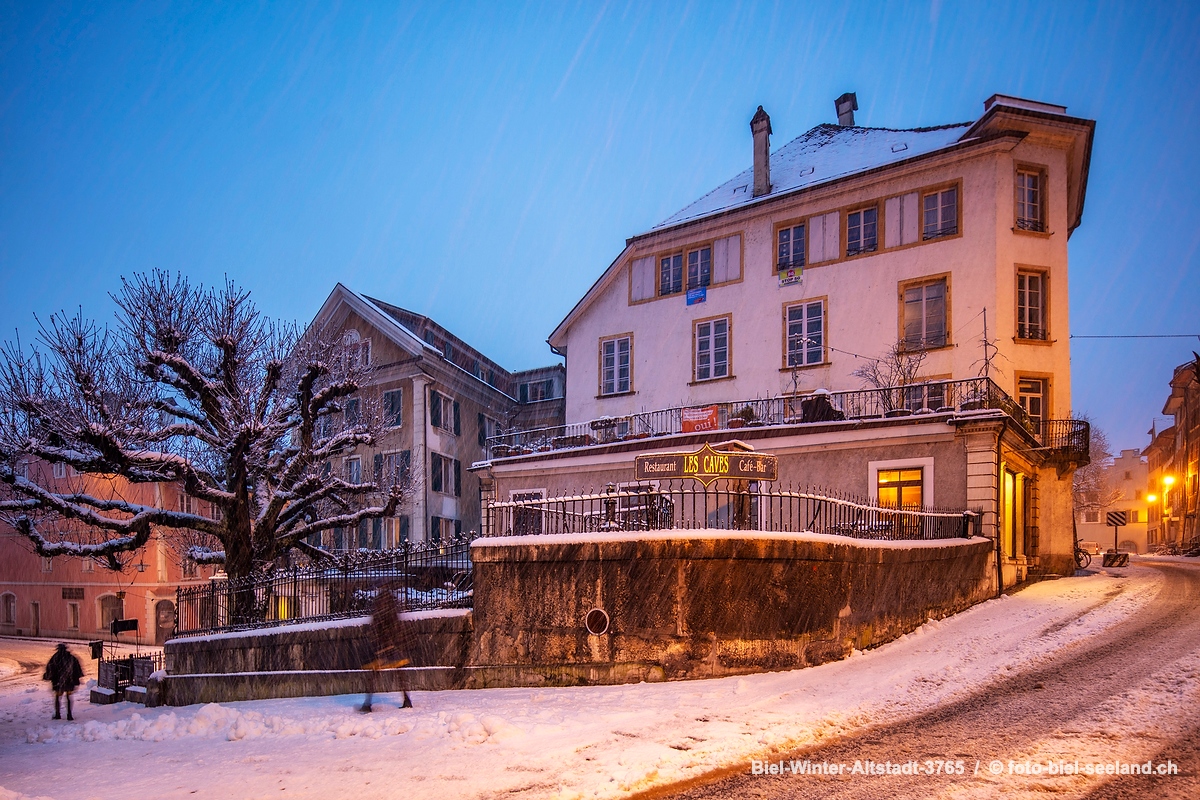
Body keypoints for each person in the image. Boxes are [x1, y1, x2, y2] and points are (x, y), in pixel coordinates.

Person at [360, 585, 413, 712]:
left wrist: (380, 643)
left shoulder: (381, 608)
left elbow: (378, 626)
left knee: (374, 675)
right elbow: (395, 625)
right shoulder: (391, 606)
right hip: (391, 645)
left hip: (384, 646)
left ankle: (367, 703)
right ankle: (407, 699)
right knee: (400, 673)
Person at [43, 643, 84, 721]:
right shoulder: (71, 658)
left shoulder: (55, 658)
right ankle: (69, 715)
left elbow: (50, 669)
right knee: (69, 698)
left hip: (58, 682)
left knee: (58, 697)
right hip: (69, 682)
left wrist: (47, 676)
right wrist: (76, 680)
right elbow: (77, 670)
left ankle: (58, 714)